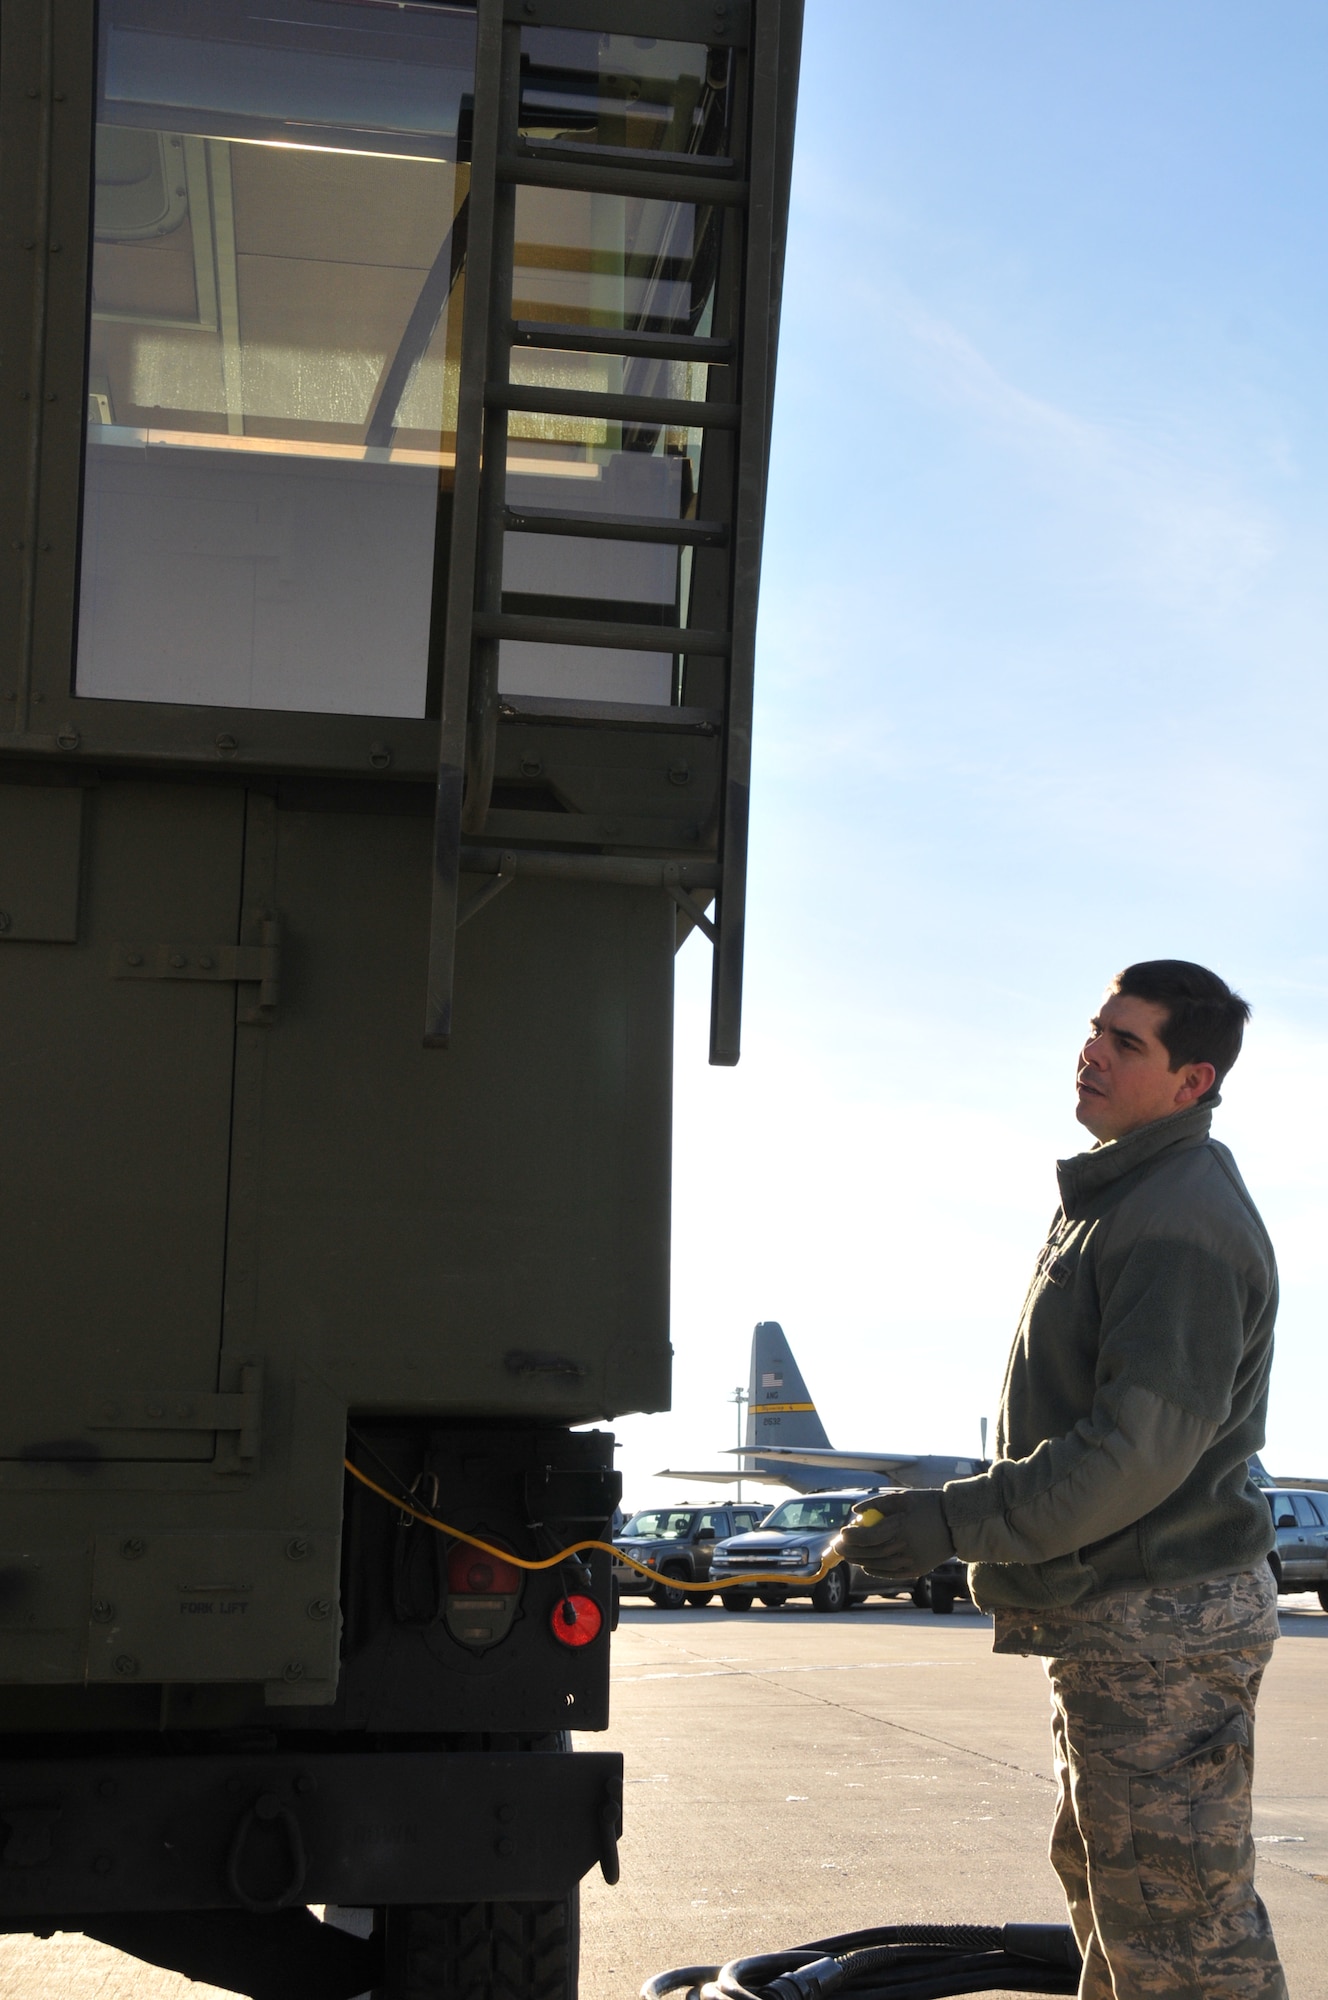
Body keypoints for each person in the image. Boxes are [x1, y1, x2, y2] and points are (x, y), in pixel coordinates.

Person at [841, 960, 1284, 2000]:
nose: (1091, 1051)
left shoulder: (1178, 1216)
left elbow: (1131, 1452)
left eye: (1126, 1042)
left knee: (1178, 1937)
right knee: (1121, 1903)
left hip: (1161, 1625)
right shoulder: (1126, 1192)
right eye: (1096, 1029)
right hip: (1123, 1622)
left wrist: (950, 1519)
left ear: (1191, 1080)